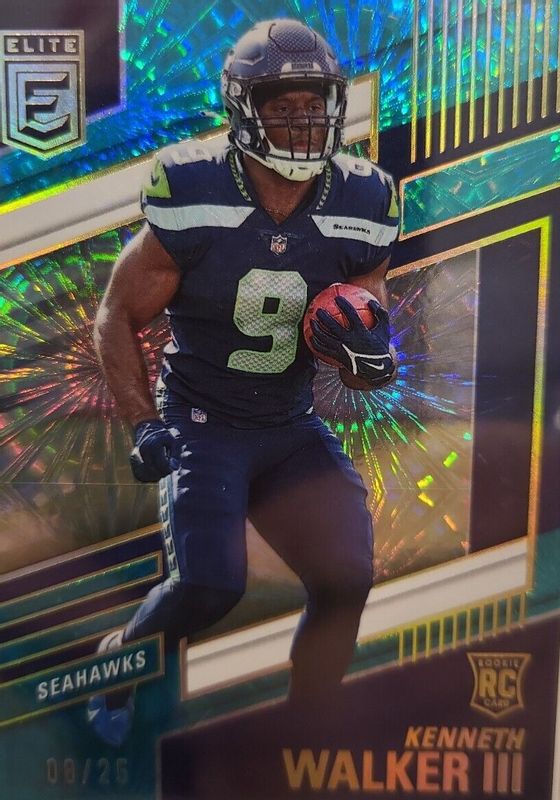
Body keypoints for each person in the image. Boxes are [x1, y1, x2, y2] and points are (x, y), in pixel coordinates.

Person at [89, 18, 399, 746]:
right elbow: (116, 314)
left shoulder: (364, 198)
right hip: (203, 420)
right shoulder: (193, 187)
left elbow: (366, 302)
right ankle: (117, 662)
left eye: (315, 104)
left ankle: (309, 726)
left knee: (346, 577)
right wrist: (143, 421)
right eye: (283, 106)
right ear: (243, 109)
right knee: (208, 586)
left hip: (288, 423)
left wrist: (366, 352)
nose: (303, 122)